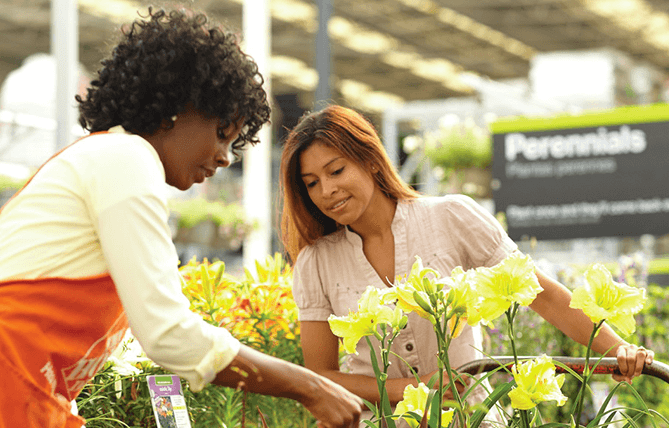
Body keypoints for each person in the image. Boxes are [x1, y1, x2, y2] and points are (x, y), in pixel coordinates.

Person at [0, 9, 362, 428]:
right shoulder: (126, 159)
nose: (224, 157)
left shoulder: (108, 160)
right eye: (221, 132)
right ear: (177, 108)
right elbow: (169, 334)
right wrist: (309, 387)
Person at [278, 105, 654, 427]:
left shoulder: (451, 217)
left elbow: (546, 297)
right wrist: (412, 388)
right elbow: (320, 377)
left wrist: (619, 350)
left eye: (336, 171)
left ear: (371, 161)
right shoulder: (315, 262)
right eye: (311, 183)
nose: (326, 190)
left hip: (472, 417)